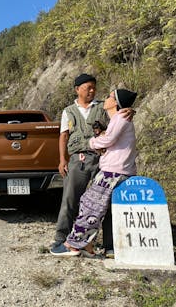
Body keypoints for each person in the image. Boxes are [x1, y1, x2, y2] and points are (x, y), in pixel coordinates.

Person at [50, 89, 138, 256]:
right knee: (92, 204)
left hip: (113, 171)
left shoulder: (120, 117)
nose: (106, 98)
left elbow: (109, 139)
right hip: (115, 169)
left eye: (110, 96)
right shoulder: (119, 117)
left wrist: (92, 142)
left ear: (116, 102)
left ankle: (73, 244)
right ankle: (89, 245)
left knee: (90, 206)